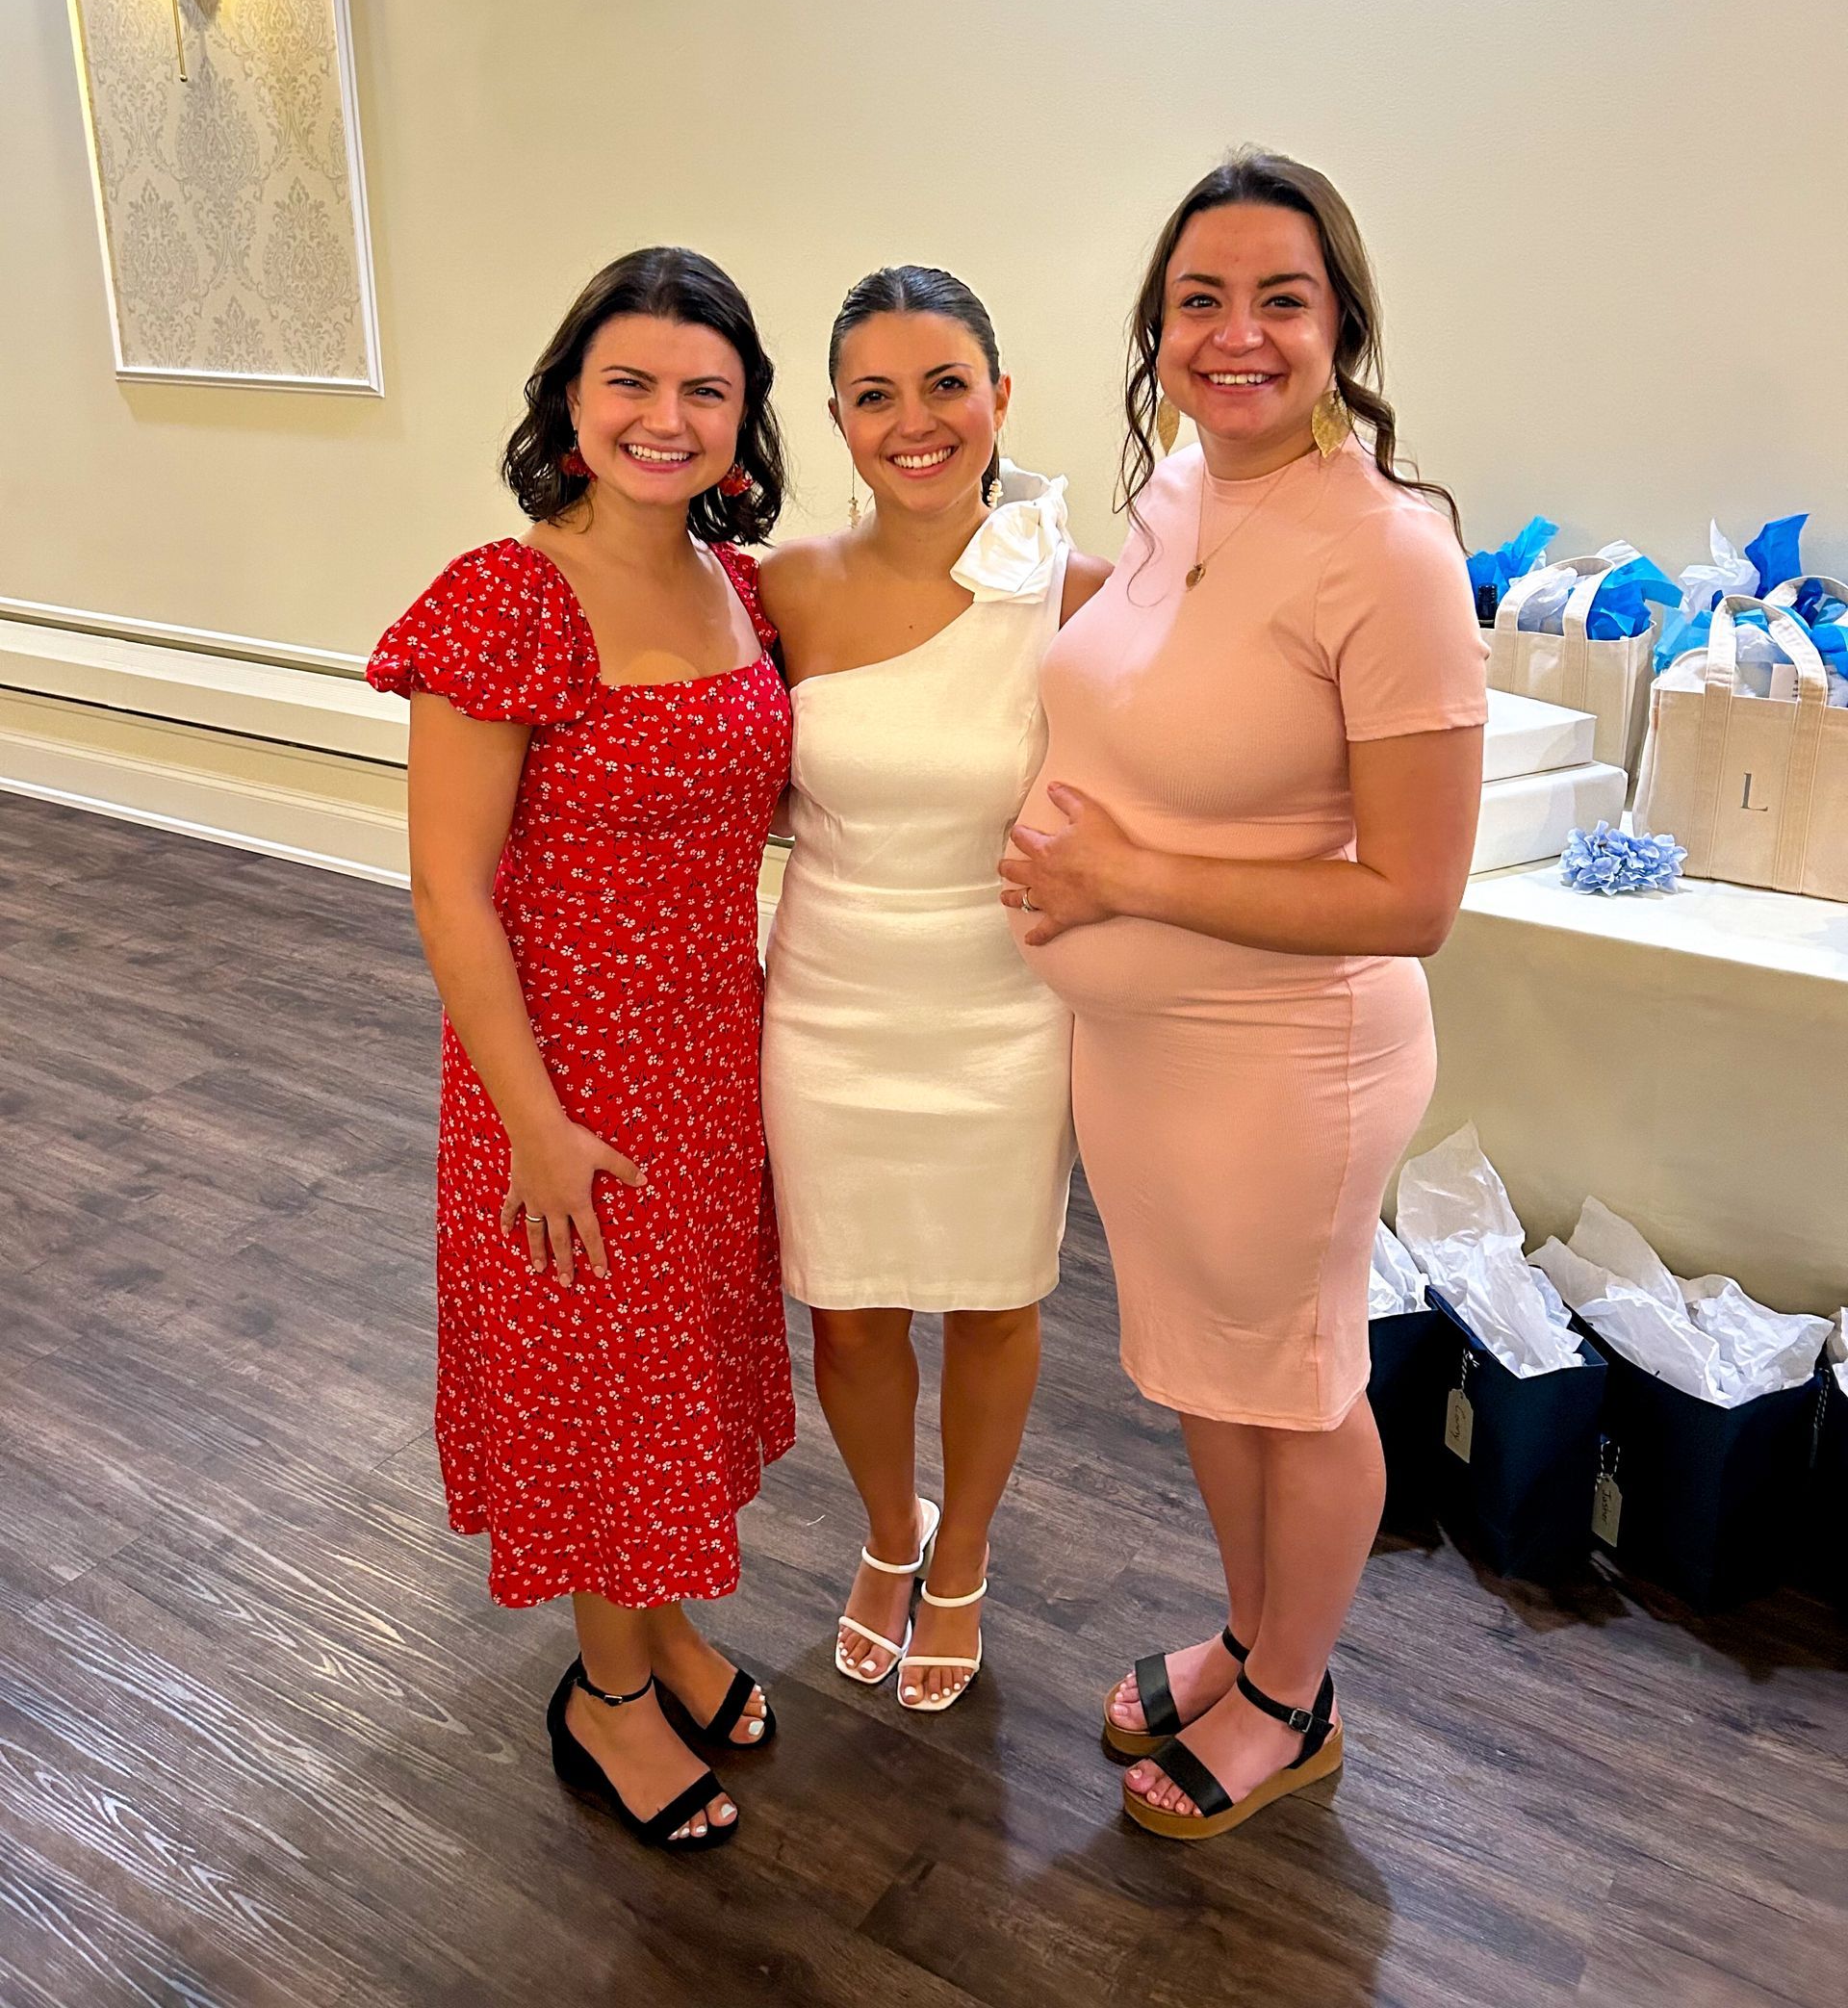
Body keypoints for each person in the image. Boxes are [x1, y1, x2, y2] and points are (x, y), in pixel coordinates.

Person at [1000, 151, 1486, 1840]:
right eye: (1199, 299)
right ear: (1157, 330)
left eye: (1280, 297)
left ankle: (1295, 1691)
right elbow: (1146, 661)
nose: (1237, 334)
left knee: (1296, 1377)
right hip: (1141, 1055)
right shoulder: (1184, 497)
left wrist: (1125, 881)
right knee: (1211, 1371)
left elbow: (1413, 897)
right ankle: (1254, 1629)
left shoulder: (1394, 559)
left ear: (1339, 320)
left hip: (1290, 1058)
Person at [368, 246, 795, 1853]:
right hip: (558, 1080)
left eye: (704, 387)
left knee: (671, 1371)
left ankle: (666, 1626)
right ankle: (607, 1695)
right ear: (568, 398)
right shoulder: (506, 598)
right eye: (628, 381)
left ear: (745, 416)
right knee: (599, 1393)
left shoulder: (737, 588)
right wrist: (534, 1127)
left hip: (710, 1064)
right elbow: (446, 888)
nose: (663, 417)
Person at [759, 266, 1109, 1712]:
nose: (917, 423)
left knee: (989, 1298)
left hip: (1003, 1006)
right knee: (844, 1310)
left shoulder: (1076, 596)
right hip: (830, 997)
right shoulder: (782, 587)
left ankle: (960, 1554)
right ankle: (887, 1532)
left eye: (947, 385)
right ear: (835, 420)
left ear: (1002, 398)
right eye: (876, 395)